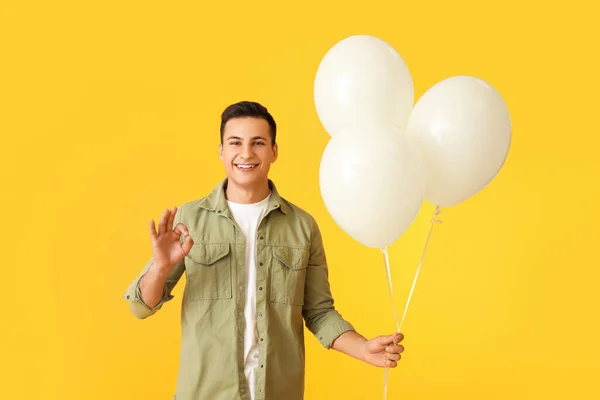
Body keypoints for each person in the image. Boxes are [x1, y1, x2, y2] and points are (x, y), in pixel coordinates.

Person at [123, 101, 405, 400]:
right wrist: (160, 268)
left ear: (274, 151)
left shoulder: (302, 226)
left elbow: (319, 312)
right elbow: (140, 306)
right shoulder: (189, 220)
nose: (246, 153)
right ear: (221, 151)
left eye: (258, 143)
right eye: (235, 143)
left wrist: (363, 348)